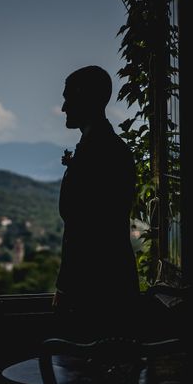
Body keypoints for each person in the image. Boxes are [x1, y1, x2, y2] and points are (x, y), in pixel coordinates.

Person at [53, 65, 140, 334]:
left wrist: (65, 286)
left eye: (68, 98)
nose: (63, 108)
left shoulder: (96, 153)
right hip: (114, 280)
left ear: (83, 97)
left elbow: (82, 230)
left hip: (93, 287)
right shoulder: (112, 149)